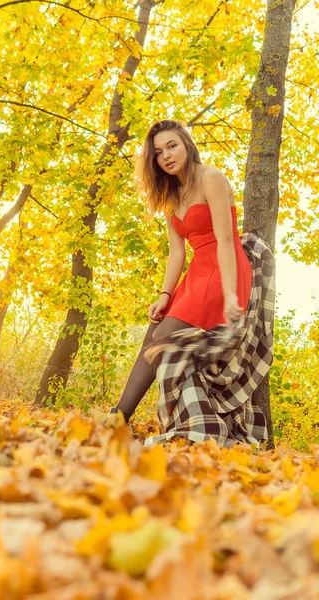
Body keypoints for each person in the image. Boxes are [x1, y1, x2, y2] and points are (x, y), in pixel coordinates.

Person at [109, 119, 273, 447]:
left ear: (186, 143)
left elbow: (227, 241)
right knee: (154, 334)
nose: (167, 155)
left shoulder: (210, 177)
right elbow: (176, 254)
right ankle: (117, 418)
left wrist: (230, 296)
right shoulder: (170, 195)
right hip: (196, 272)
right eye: (158, 152)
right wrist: (165, 294)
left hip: (225, 268)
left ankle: (124, 419)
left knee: (166, 336)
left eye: (172, 146)